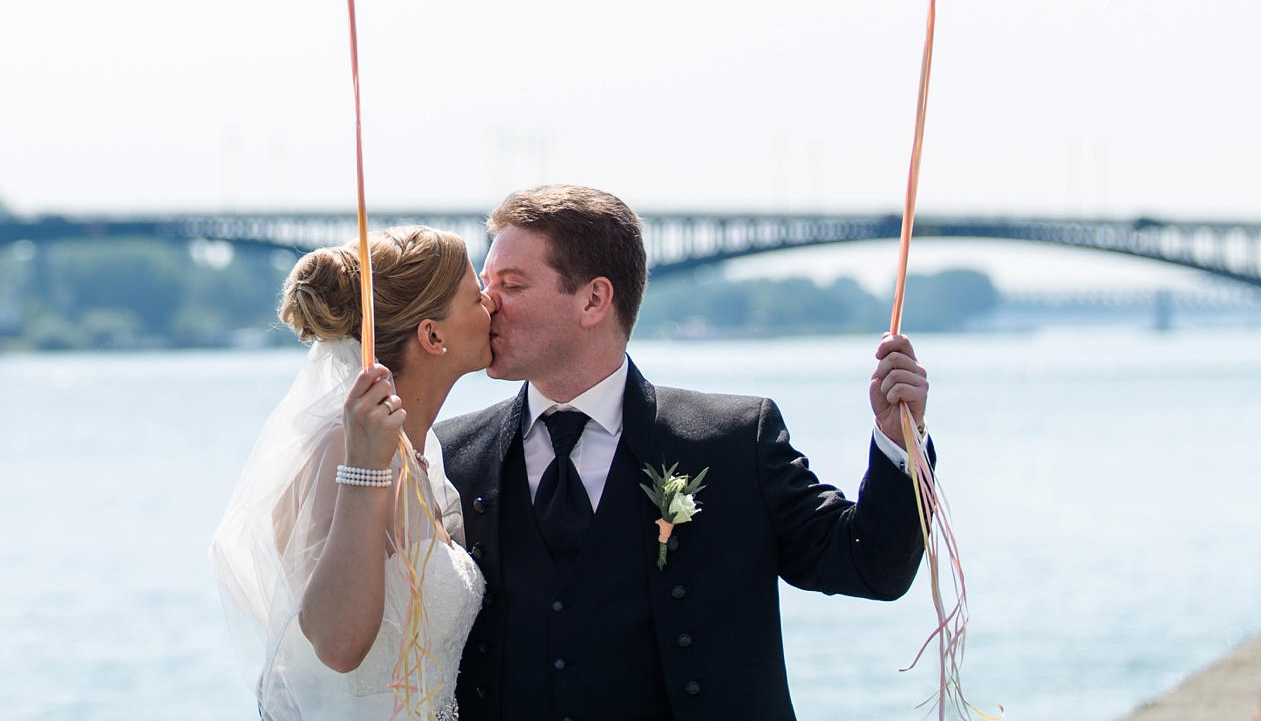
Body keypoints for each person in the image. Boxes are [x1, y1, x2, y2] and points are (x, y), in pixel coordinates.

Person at [437, 185, 932, 721]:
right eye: (486, 285)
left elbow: (872, 565)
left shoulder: (735, 441)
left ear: (593, 300)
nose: (488, 303)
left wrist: (897, 442)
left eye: (510, 284)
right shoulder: (450, 455)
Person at [213, 225, 496, 720]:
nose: (492, 305)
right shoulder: (344, 448)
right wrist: (365, 469)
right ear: (432, 335)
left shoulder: (421, 452)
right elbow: (336, 645)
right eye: (476, 298)